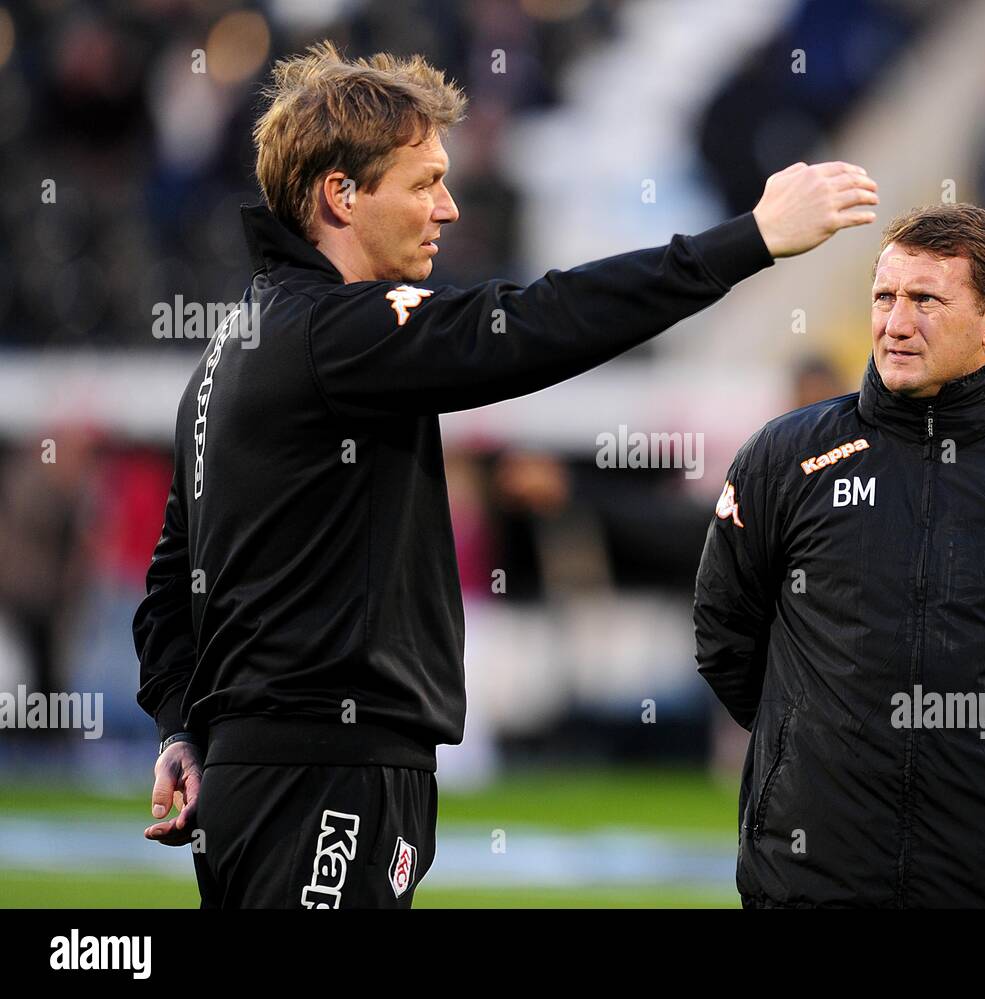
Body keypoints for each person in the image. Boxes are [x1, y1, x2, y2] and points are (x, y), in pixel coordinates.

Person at [132, 41, 878, 908]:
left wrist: (184, 724)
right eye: (422, 183)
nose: (447, 208)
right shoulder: (335, 333)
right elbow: (532, 323)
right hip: (326, 772)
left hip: (263, 767)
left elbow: (167, 586)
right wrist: (746, 242)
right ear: (340, 194)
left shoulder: (230, 351)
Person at [694, 203, 985, 908]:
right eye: (885, 296)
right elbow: (725, 640)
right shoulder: (786, 456)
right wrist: (816, 744)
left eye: (925, 299)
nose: (896, 322)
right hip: (810, 870)